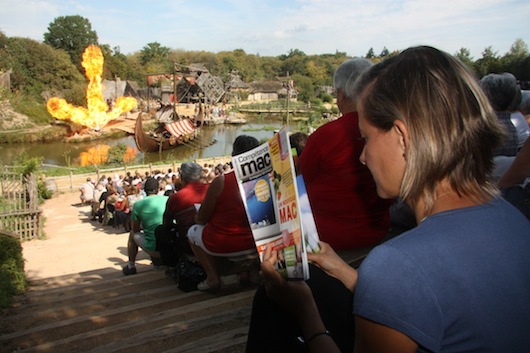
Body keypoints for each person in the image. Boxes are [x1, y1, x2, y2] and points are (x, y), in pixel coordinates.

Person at [257, 46, 530, 352]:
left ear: (402, 137)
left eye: (366, 138)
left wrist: (305, 313)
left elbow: (409, 284)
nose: (362, 156)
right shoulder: (513, 218)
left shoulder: (397, 265)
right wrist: (344, 270)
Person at [298, 58, 391, 251]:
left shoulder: (328, 135)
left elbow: (300, 180)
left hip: (328, 240)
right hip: (378, 231)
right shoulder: (388, 127)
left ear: (340, 94)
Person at [187, 135, 259, 291]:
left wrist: (198, 217)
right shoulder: (267, 178)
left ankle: (213, 277)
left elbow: (203, 218)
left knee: (192, 232)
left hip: (222, 244)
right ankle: (246, 273)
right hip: (257, 242)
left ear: (234, 155)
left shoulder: (222, 181)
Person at [160, 162, 210, 267]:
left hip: (189, 245)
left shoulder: (175, 198)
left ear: (181, 177)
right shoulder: (212, 188)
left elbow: (166, 224)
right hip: (215, 236)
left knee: (161, 231)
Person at [122, 177, 168, 275]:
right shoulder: (167, 199)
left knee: (132, 234)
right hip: (172, 244)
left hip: (155, 247)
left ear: (144, 191)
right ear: (159, 189)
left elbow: (135, 228)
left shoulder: (138, 204)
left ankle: (131, 266)